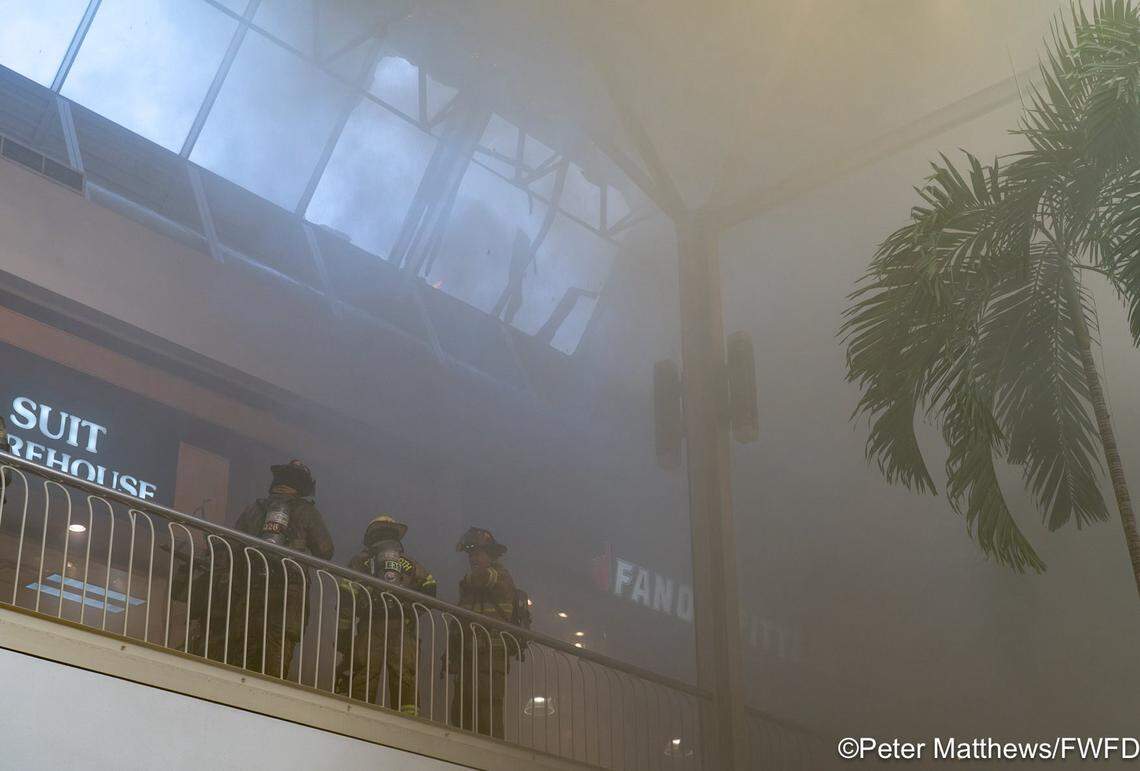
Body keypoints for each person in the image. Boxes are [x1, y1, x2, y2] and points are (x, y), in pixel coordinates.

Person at [234, 459, 333, 679]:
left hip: (252, 585)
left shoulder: (256, 508)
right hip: (290, 590)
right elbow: (326, 550)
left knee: (246, 646)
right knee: (278, 648)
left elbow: (233, 544)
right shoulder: (306, 511)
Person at [337, 515, 436, 714]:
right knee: (404, 675)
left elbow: (348, 595)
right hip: (402, 627)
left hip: (370, 624)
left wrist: (343, 635)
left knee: (364, 672)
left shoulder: (361, 560)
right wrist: (411, 611)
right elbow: (430, 587)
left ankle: (358, 717)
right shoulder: (408, 562)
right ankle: (409, 724)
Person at [449, 526, 520, 739]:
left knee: (488, 711)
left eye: (477, 553)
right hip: (469, 655)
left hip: (491, 656)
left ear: (490, 555)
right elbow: (460, 619)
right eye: (470, 555)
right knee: (463, 711)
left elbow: (482, 578)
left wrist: (466, 582)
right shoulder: (470, 585)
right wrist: (452, 654)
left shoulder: (501, 577)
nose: (472, 559)